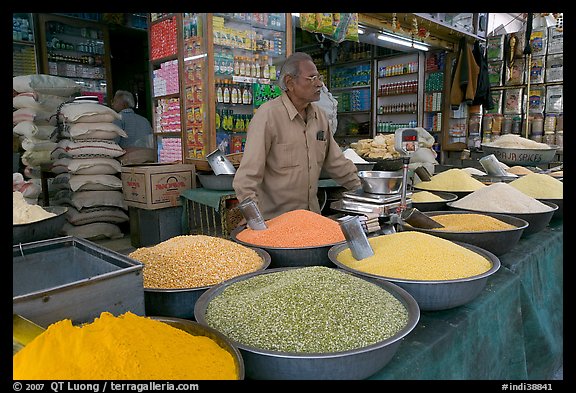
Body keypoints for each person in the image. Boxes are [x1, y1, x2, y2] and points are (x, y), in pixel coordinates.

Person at [232, 52, 361, 221]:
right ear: (290, 83)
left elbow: (337, 163)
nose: (320, 84)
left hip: (311, 219)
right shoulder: (268, 116)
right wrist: (256, 222)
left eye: (319, 78)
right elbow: (247, 178)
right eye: (311, 78)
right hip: (275, 222)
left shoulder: (320, 117)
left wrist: (363, 192)